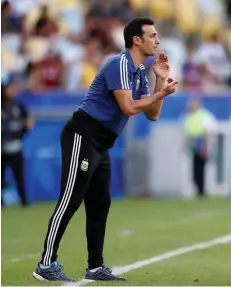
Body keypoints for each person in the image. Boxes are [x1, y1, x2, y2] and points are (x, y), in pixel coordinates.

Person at [33, 17, 179, 282]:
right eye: (153, 35)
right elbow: (128, 108)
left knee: (100, 204)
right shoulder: (120, 63)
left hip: (102, 143)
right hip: (83, 134)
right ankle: (46, 263)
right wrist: (161, 94)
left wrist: (160, 81)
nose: (158, 40)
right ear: (137, 40)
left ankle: (95, 266)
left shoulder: (138, 71)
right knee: (70, 199)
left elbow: (153, 114)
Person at [1, 79, 34, 207]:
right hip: (2, 147)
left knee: (19, 176)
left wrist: (24, 128)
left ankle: (24, 201)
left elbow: (29, 119)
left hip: (15, 145)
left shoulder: (17, 105)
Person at [183, 99, 217, 197]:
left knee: (201, 168)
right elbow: (187, 131)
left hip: (201, 144)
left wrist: (206, 147)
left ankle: (202, 189)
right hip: (194, 144)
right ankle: (198, 189)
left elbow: (208, 132)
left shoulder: (204, 115)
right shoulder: (189, 115)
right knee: (195, 168)